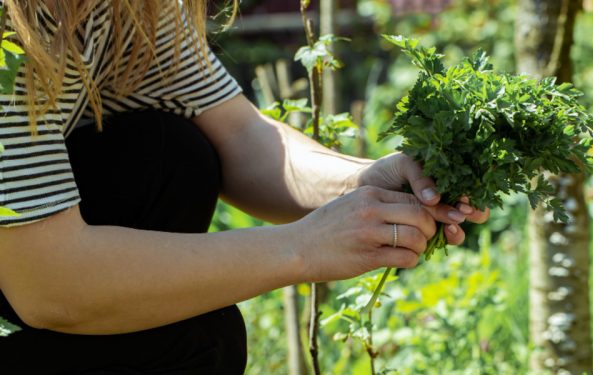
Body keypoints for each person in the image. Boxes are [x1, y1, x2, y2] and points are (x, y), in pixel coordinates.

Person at [0, 0, 489, 373]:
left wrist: (368, 182)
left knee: (165, 154)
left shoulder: (131, 9)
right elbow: (50, 283)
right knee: (201, 337)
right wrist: (302, 247)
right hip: (42, 284)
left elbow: (240, 134)